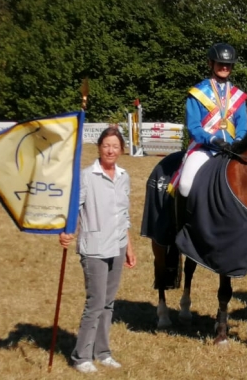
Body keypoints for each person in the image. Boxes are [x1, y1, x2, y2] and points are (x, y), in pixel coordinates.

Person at [59, 127, 136, 373]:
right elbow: (73, 208)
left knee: (109, 303)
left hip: (117, 246)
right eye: (106, 146)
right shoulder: (86, 176)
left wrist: (129, 247)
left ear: (122, 149)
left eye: (115, 146)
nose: (110, 150)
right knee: (95, 303)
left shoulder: (124, 176)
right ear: (99, 148)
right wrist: (66, 231)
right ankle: (81, 356)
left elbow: (123, 215)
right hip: (94, 249)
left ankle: (102, 352)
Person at [176, 42, 247, 197]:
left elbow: (242, 124)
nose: (225, 67)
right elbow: (194, 127)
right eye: (221, 63)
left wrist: (239, 140)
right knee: (185, 185)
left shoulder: (238, 96)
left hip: (232, 149)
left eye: (228, 64)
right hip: (205, 148)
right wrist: (213, 140)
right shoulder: (197, 93)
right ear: (211, 63)